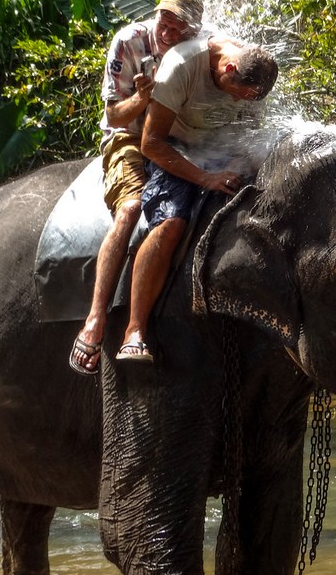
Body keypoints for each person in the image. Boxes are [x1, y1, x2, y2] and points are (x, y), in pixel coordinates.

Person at [115, 34, 279, 362]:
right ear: (227, 68)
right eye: (235, 95)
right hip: (174, 149)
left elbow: (252, 130)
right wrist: (205, 178)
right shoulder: (181, 67)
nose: (237, 103)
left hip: (221, 148)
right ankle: (135, 329)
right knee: (172, 223)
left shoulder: (251, 70)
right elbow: (151, 143)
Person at [69, 0, 205, 375]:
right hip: (129, 137)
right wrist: (145, 98)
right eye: (165, 20)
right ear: (156, 14)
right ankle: (95, 319)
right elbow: (114, 115)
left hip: (176, 138)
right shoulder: (129, 42)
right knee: (130, 209)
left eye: (179, 27)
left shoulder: (197, 46)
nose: (168, 31)